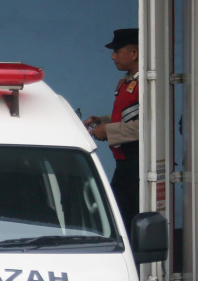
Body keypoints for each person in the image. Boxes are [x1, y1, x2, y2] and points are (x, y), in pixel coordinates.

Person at [84, 28, 140, 232]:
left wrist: (108, 131)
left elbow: (149, 125)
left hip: (137, 163)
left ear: (134, 53)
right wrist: (101, 121)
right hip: (124, 162)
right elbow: (128, 116)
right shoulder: (129, 80)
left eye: (117, 51)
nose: (113, 56)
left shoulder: (149, 83)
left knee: (127, 221)